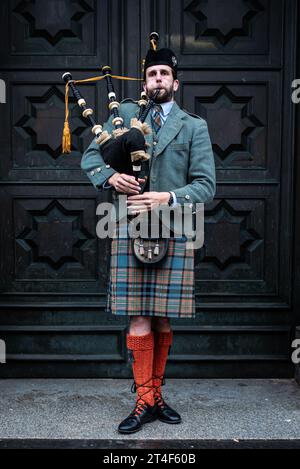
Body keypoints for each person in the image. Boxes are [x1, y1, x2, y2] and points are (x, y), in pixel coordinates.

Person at [81, 46, 216, 434]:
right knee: (139, 314)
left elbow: (206, 185)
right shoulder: (124, 115)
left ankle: (156, 394)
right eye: (152, 74)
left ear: (176, 81)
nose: (158, 79)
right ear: (145, 82)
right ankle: (143, 400)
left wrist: (167, 196)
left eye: (164, 74)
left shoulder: (194, 127)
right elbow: (91, 158)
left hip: (174, 227)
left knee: (162, 315)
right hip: (128, 227)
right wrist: (110, 177)